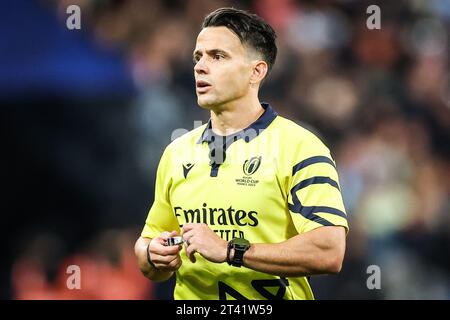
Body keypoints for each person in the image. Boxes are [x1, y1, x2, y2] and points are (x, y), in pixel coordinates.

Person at [135, 7, 348, 300]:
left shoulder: (300, 147)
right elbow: (148, 243)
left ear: (256, 71)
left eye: (217, 56)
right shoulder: (177, 152)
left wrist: (230, 251)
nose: (200, 66)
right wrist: (152, 254)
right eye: (198, 57)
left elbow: (329, 251)